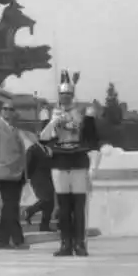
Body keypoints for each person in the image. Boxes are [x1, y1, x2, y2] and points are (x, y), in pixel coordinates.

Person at [39, 71, 99, 257]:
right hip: (60, 161)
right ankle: (65, 243)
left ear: (72, 95)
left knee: (78, 206)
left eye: (68, 94)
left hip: (79, 161)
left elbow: (93, 142)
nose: (64, 97)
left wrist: (93, 167)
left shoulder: (83, 114)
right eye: (62, 94)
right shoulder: (51, 113)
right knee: (63, 206)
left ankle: (80, 243)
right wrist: (53, 122)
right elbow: (43, 138)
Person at [0, 101, 29, 250]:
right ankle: (16, 239)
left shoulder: (15, 129)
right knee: (10, 206)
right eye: (5, 109)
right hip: (3, 172)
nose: (7, 112)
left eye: (11, 109)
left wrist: (25, 173)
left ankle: (2, 240)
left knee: (11, 207)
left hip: (17, 174)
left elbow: (21, 152)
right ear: (1, 111)